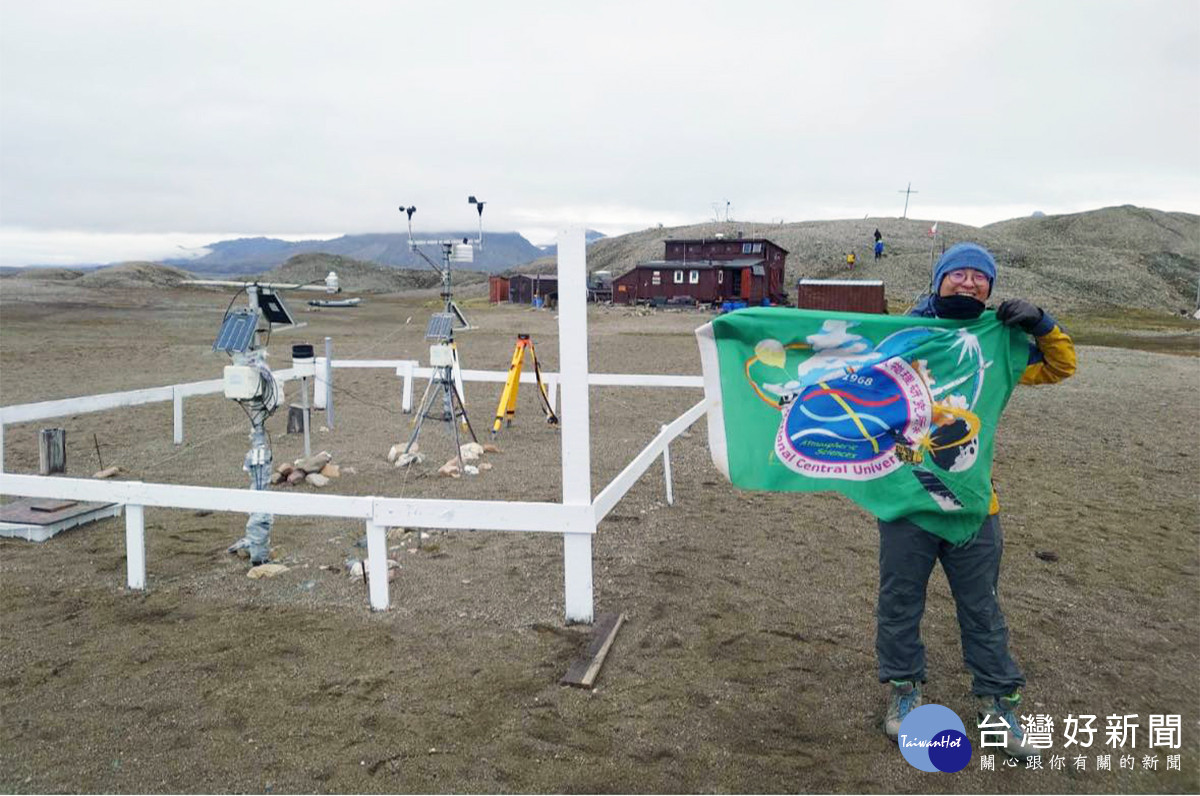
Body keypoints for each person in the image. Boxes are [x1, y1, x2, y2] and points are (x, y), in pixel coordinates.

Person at [881, 242, 1076, 759]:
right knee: (899, 605)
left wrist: (1041, 323)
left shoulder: (1000, 343)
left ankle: (1000, 702)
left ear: (990, 286)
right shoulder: (902, 339)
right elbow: (847, 368)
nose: (968, 283)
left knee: (982, 609)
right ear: (938, 280)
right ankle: (904, 692)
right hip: (907, 505)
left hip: (974, 509)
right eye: (957, 274)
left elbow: (1060, 367)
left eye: (978, 276)